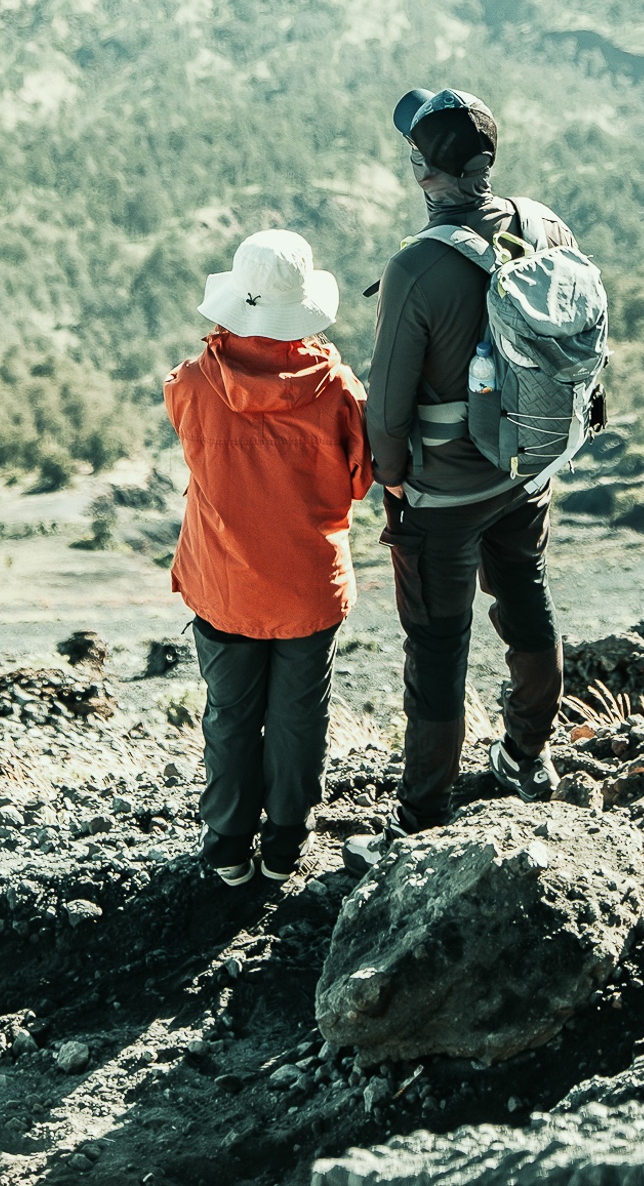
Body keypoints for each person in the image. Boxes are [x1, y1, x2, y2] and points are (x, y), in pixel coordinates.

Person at [352, 87, 579, 858]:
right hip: (525, 469)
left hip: (442, 494)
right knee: (526, 599)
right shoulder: (545, 223)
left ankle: (420, 818)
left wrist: (392, 481)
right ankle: (526, 756)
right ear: (489, 159)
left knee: (438, 647)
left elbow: (386, 408)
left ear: (421, 170)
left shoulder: (417, 266)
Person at [165, 228, 372, 886]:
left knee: (229, 714)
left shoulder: (193, 383)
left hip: (222, 579)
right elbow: (359, 477)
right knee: (298, 714)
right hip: (307, 582)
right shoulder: (337, 387)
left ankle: (227, 843)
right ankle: (285, 843)